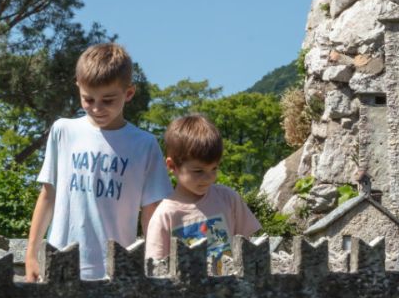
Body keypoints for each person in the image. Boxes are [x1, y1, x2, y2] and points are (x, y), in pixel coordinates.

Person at [25, 42, 171, 281]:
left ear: (129, 93)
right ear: (78, 89)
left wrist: (153, 263)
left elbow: (151, 213)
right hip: (59, 264)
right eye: (88, 99)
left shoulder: (144, 144)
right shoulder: (63, 131)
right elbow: (48, 195)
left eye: (108, 100)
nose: (96, 108)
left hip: (116, 270)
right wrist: (32, 252)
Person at [145, 113, 261, 274]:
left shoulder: (228, 198)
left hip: (231, 293)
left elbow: (248, 246)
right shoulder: (165, 214)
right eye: (198, 171)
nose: (208, 178)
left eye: (214, 168)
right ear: (172, 166)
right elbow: (156, 269)